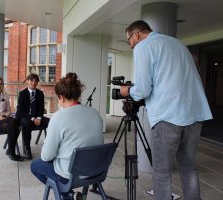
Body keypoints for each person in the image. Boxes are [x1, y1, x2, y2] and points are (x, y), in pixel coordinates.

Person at [120, 20, 213, 200]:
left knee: (162, 172)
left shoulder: (143, 47)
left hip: (168, 116)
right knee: (189, 167)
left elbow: (143, 90)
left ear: (136, 34)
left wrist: (127, 90)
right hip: (194, 114)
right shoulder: (178, 44)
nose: (130, 45)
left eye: (128, 40)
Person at [30, 72, 104, 199]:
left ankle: (66, 194)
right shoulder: (95, 113)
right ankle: (70, 195)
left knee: (35, 165)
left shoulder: (59, 117)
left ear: (61, 97)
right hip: (96, 171)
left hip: (71, 176)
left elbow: (46, 156)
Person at [15, 73, 50, 159]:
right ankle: (27, 149)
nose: (33, 83)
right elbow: (21, 111)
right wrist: (33, 118)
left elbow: (41, 108)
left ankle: (51, 146)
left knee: (51, 122)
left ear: (37, 82)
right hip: (25, 117)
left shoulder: (40, 93)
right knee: (26, 124)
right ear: (28, 81)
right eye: (31, 81)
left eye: (36, 81)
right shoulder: (22, 93)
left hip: (37, 117)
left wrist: (39, 118)